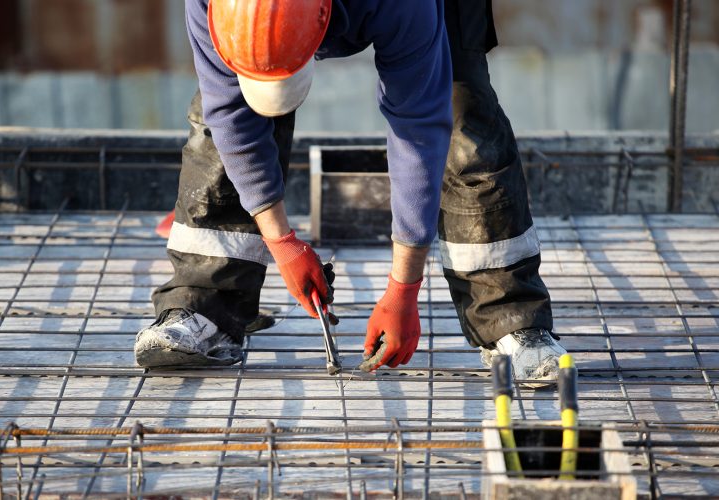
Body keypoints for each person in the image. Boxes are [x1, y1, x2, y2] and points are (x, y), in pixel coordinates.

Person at [135, 0, 566, 386]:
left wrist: (403, 288)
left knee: (460, 113)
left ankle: (511, 316)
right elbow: (231, 113)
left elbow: (418, 127)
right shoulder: (211, 5)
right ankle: (203, 306)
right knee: (220, 123)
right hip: (261, 20)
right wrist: (281, 241)